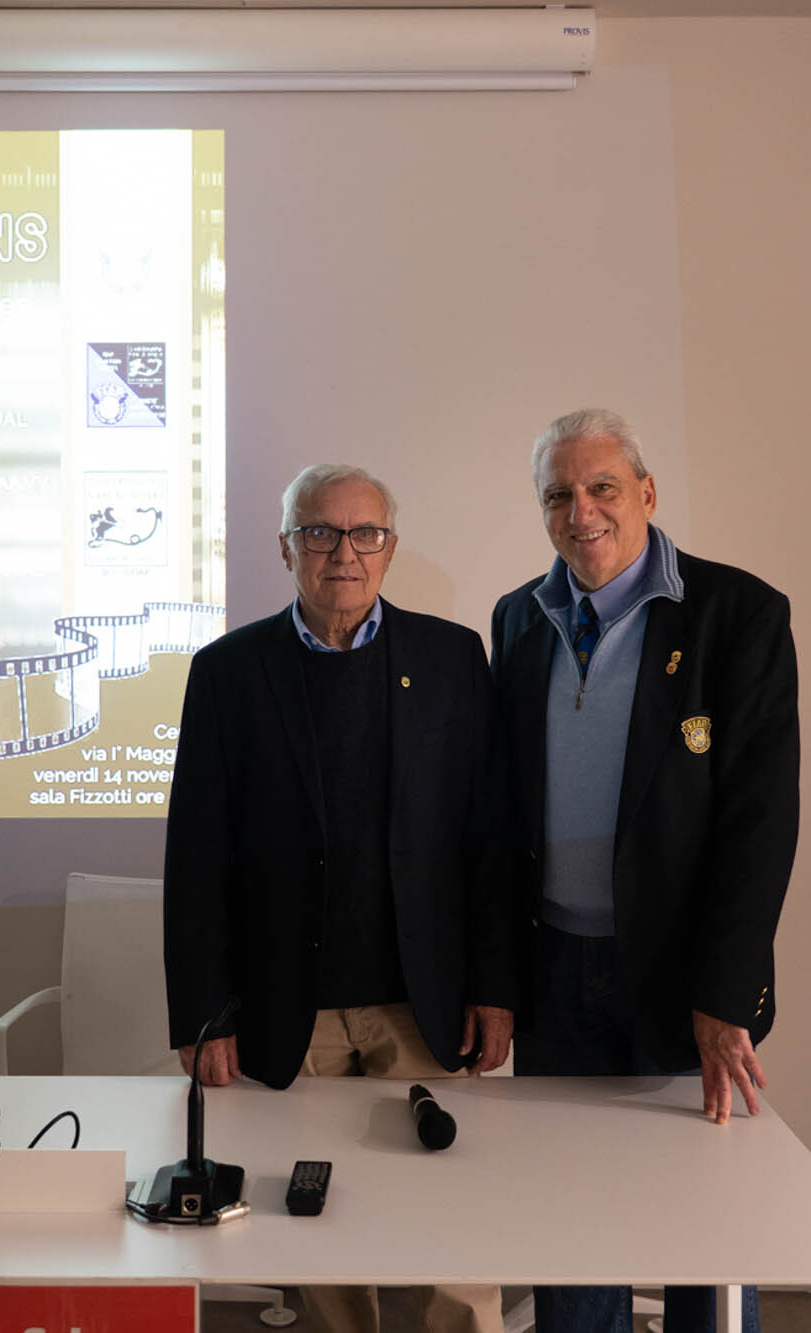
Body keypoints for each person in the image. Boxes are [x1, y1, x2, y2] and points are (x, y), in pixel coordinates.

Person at [164, 463, 518, 1333]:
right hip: (292, 1011)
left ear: (390, 548)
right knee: (314, 1234)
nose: (343, 553)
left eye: (365, 533)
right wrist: (204, 1013)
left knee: (445, 1227)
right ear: (286, 548)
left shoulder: (453, 658)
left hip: (425, 1004)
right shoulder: (227, 671)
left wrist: (496, 984)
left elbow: (490, 838)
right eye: (319, 532)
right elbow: (197, 856)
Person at [489, 409, 800, 1333]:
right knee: (574, 1220)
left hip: (683, 976)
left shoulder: (738, 614)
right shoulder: (517, 617)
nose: (580, 511)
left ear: (648, 493)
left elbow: (761, 822)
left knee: (706, 1221)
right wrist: (495, 976)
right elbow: (500, 818)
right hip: (555, 975)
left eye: (602, 488)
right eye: (558, 495)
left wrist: (726, 992)